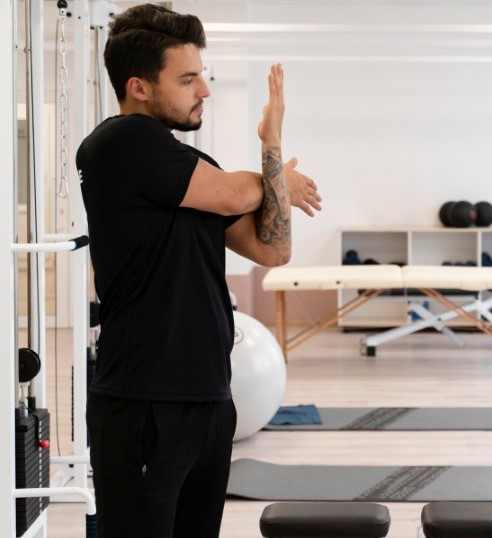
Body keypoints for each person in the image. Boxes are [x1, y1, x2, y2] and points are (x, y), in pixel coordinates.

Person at [75, 4, 321, 537]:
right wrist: (273, 177)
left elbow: (271, 249)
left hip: (210, 399)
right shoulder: (119, 143)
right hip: (145, 403)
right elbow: (239, 192)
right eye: (188, 79)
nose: (203, 91)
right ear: (138, 86)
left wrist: (271, 146)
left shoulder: (192, 169)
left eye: (202, 77)